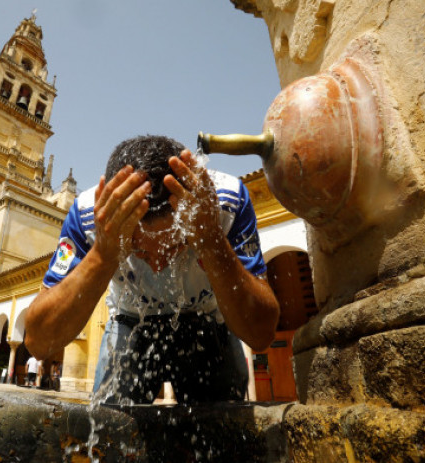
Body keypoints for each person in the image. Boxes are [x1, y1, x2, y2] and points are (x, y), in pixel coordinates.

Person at [25, 135, 279, 404]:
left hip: (207, 319)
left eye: (175, 246)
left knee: (224, 430)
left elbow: (260, 335)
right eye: (140, 251)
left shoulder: (224, 203)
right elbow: (39, 343)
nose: (159, 264)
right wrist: (102, 254)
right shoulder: (91, 217)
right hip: (129, 320)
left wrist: (213, 243)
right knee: (111, 434)